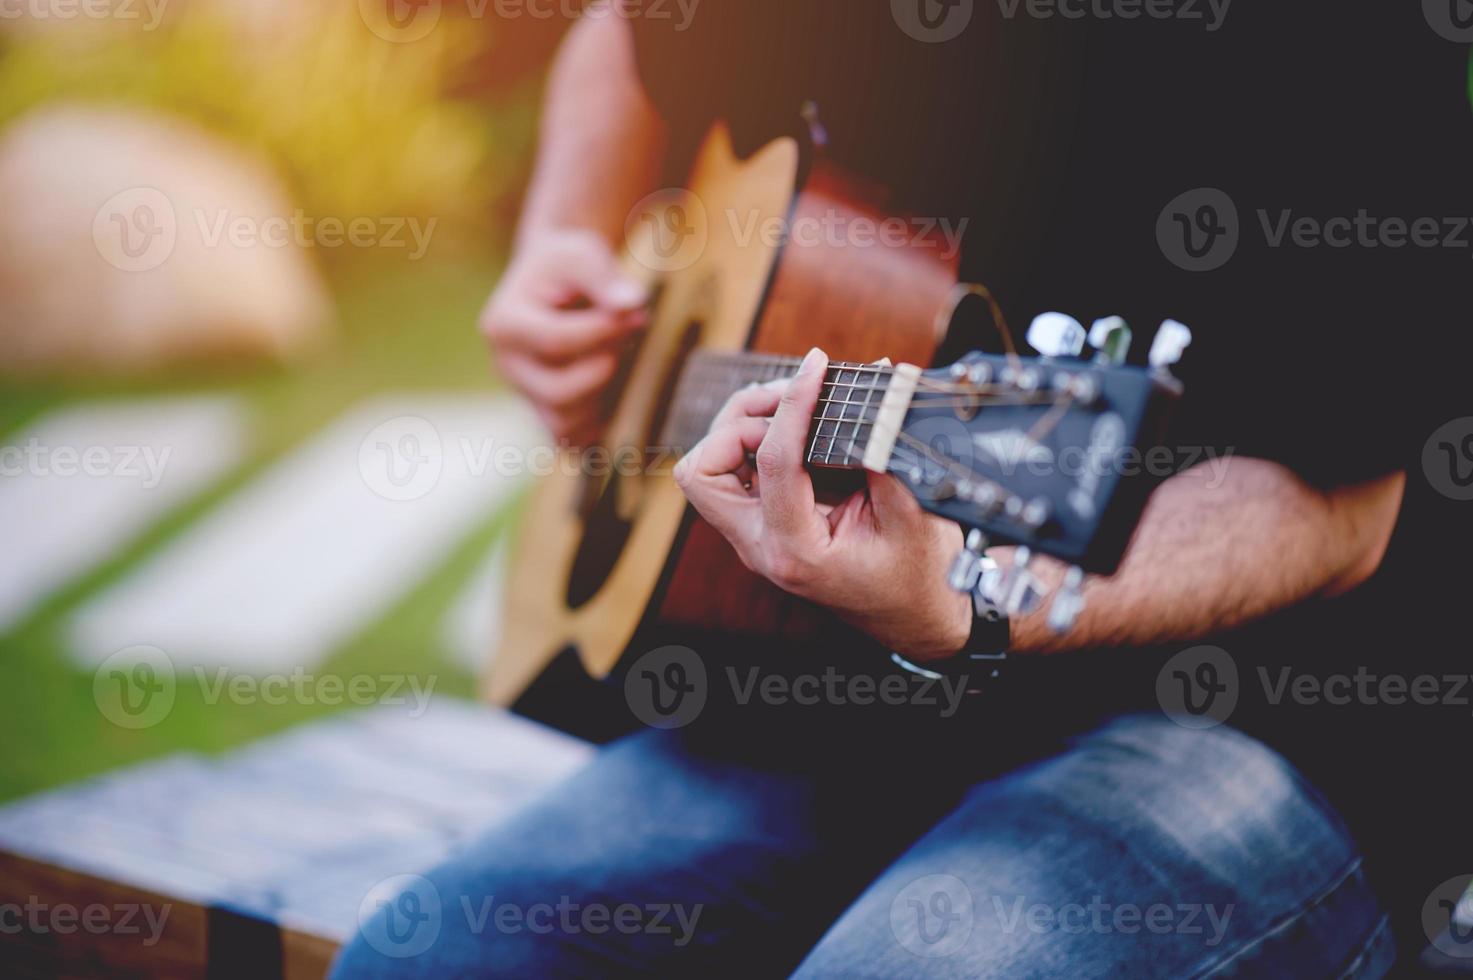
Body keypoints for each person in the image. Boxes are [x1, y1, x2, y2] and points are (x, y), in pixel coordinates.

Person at [335, 3, 1472, 975]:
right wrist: (562, 236)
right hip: (834, 689)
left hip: (1246, 710)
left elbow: (1345, 510)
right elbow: (624, 32)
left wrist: (967, 602)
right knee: (419, 954)